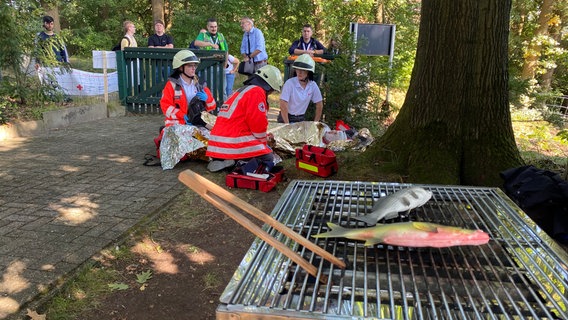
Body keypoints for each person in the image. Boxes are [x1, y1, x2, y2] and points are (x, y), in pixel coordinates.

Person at [206, 65, 283, 172]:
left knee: (262, 150)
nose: (271, 93)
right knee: (269, 157)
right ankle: (238, 163)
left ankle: (226, 159)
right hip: (231, 142)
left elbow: (242, 122)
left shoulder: (242, 91)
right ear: (269, 86)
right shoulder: (257, 92)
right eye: (272, 91)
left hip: (218, 144)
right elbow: (257, 123)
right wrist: (264, 140)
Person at [160, 50, 216, 129]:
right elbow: (166, 106)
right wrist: (182, 115)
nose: (194, 68)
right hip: (179, 122)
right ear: (180, 67)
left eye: (195, 65)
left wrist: (207, 99)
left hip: (198, 121)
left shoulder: (200, 84)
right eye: (190, 66)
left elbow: (212, 106)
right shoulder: (171, 85)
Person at [278, 54, 323, 123]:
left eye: (303, 70)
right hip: (286, 117)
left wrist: (315, 123)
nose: (299, 72)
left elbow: (319, 104)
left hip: (300, 118)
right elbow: (283, 104)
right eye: (297, 69)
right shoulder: (289, 83)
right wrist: (287, 124)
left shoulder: (313, 85)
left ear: (309, 72)